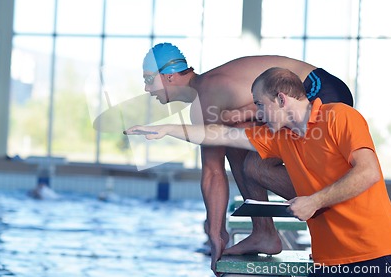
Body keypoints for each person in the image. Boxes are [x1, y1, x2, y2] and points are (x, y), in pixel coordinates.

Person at [125, 67, 391, 277]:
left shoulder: (340, 116)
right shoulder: (280, 138)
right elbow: (218, 135)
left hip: (380, 255)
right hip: (328, 262)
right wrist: (167, 130)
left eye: (261, 105)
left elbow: (368, 172)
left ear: (282, 100)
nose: (258, 113)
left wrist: (314, 201)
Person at [141, 43, 354, 271]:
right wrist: (216, 230)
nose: (146, 88)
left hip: (320, 89)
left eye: (149, 79)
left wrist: (216, 234)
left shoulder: (207, 94)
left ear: (169, 76)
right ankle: (264, 232)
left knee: (248, 151)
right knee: (248, 157)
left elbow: (213, 174)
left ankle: (338, 206)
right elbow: (218, 161)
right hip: (312, 90)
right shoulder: (206, 94)